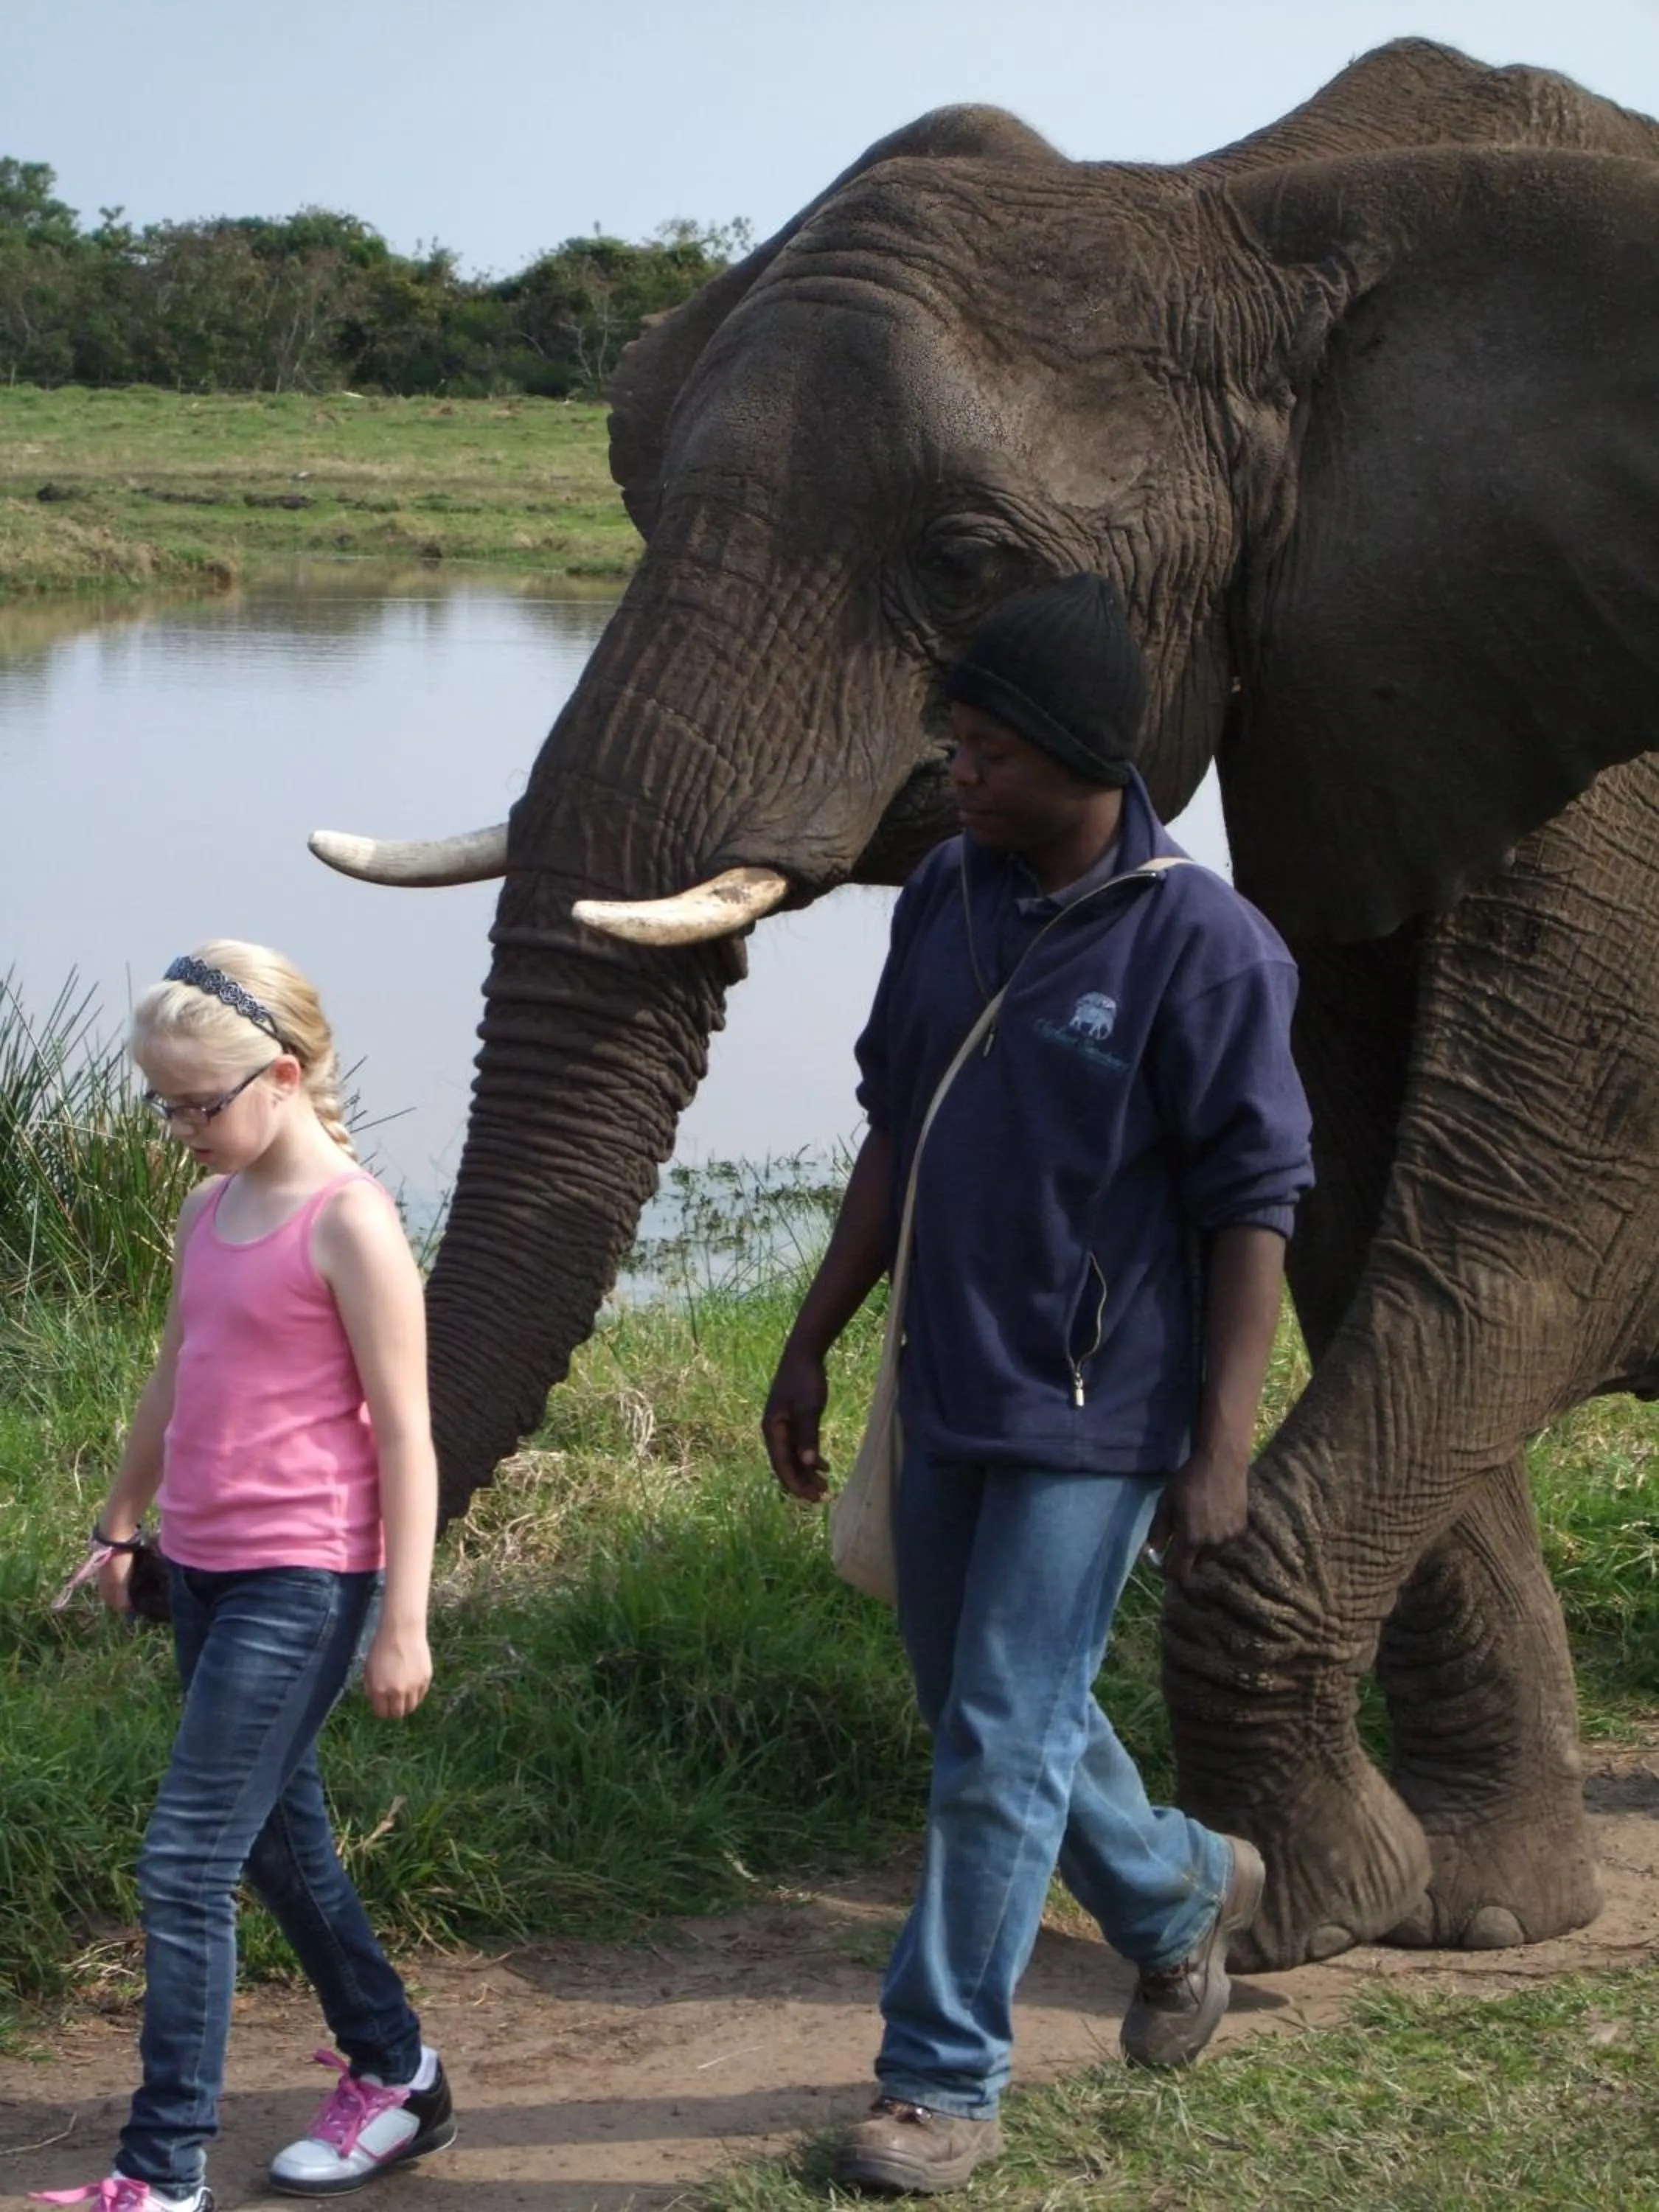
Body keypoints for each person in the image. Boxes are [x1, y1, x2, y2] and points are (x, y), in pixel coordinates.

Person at [762, 576, 1314, 2197]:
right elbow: (894, 1131)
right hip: (948, 1383)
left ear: (1085, 761)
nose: (958, 774)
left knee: (1002, 1729)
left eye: (989, 752)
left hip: (1101, 1411)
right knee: (992, 1718)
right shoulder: (946, 894)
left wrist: (1221, 1449)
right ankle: (1179, 1890)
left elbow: (1253, 1208)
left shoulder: (1205, 948)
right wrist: (813, 1336)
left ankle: (942, 2084)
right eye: (956, 744)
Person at [35, 945, 455, 2212]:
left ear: (281, 1073)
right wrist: (121, 1521)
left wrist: (406, 1619)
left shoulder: (353, 1223)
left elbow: (407, 1433)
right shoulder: (207, 1213)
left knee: (183, 1865)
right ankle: (398, 2073)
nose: (177, 1133)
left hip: (307, 1581)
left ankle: (159, 2173)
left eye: (197, 1107)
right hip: (206, 1573)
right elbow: (178, 1372)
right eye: (161, 1108)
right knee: (277, 1848)